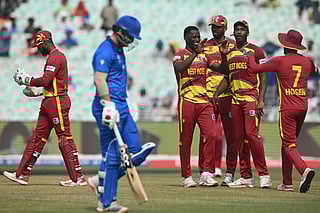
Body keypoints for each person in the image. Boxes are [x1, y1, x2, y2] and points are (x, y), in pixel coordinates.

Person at [88, 15, 156, 212]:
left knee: (137, 152)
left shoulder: (118, 49)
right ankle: (107, 202)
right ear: (121, 32)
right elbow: (100, 80)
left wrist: (122, 104)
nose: (132, 41)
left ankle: (99, 181)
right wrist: (108, 105)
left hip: (122, 105)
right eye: (131, 36)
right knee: (112, 155)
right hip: (107, 105)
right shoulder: (105, 50)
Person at [3, 30, 86, 186]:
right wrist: (38, 92)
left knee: (64, 138)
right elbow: (51, 84)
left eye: (39, 45)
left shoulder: (56, 57)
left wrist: (27, 80)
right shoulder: (53, 57)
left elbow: (46, 79)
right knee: (36, 139)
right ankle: (22, 174)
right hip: (49, 101)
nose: (37, 49)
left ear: (46, 42)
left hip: (57, 102)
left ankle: (77, 178)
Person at [248, 29, 316, 193]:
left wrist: (250, 54)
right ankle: (287, 183)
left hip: (288, 108)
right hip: (303, 107)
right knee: (288, 144)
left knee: (288, 144)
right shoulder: (307, 61)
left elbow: (254, 68)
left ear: (284, 45)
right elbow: (316, 71)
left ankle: (304, 171)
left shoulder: (279, 61)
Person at [215, 20, 271, 188]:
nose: (239, 32)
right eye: (237, 29)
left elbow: (264, 75)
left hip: (250, 99)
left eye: (242, 29)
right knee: (238, 138)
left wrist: (261, 100)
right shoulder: (230, 51)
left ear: (247, 32)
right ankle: (246, 176)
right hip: (235, 100)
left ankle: (264, 174)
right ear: (233, 32)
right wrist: (216, 94)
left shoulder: (256, 50)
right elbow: (227, 76)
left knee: (252, 136)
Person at [173, 26, 218, 188]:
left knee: (211, 135)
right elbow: (179, 68)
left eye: (198, 36)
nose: (196, 39)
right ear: (185, 38)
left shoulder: (205, 55)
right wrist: (195, 53)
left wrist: (225, 56)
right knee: (186, 139)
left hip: (204, 102)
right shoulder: (180, 54)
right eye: (193, 37)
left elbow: (219, 68)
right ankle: (187, 176)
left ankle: (206, 173)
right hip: (187, 101)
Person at [200, 15, 237, 186]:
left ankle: (230, 172)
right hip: (207, 95)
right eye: (212, 26)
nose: (215, 29)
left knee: (230, 136)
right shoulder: (205, 45)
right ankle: (205, 171)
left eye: (218, 27)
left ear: (225, 28)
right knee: (207, 135)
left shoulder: (232, 44)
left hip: (227, 94)